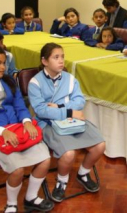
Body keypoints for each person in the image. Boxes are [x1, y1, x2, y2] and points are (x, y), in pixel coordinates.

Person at [0, 46, 54, 213]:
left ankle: (31, 198)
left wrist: (27, 121)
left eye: (4, 63)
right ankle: (11, 203)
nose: (2, 67)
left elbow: (20, 106)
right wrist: (2, 131)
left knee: (45, 160)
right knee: (18, 169)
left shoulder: (9, 80)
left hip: (18, 129)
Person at [28, 43, 105, 202]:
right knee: (68, 154)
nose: (61, 61)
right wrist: (69, 111)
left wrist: (60, 107)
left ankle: (83, 173)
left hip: (73, 121)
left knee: (100, 145)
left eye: (62, 56)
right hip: (48, 123)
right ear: (44, 61)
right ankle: (62, 181)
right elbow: (41, 111)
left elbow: (80, 101)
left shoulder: (70, 78)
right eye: (56, 57)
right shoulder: (35, 83)